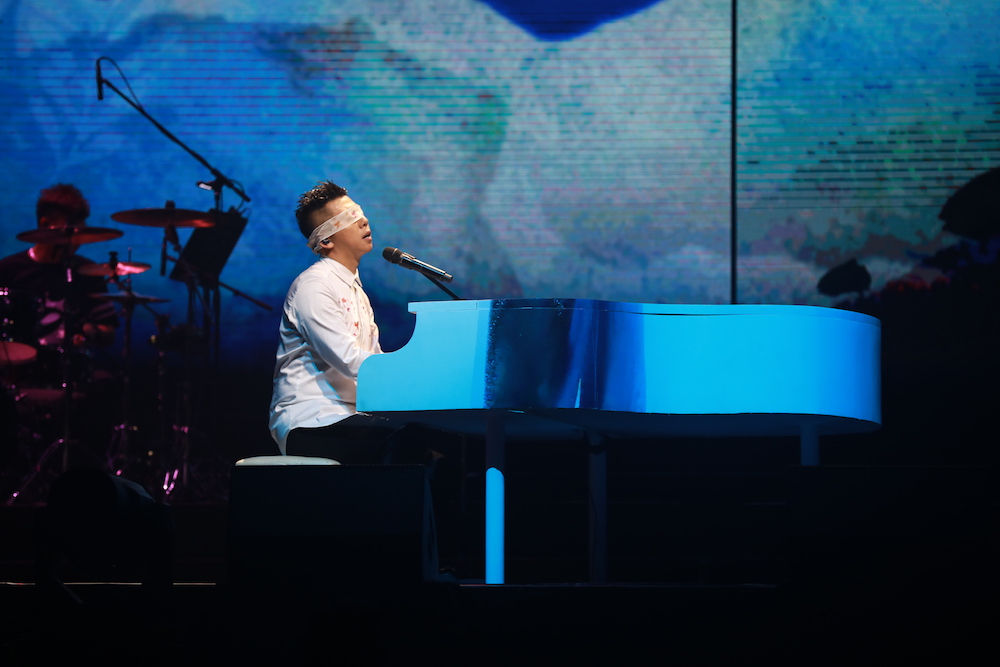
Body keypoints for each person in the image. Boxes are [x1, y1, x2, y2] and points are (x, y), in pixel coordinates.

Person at [268, 180, 465, 573]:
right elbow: (351, 360)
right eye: (348, 217)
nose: (363, 221)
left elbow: (371, 364)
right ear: (325, 240)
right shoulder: (314, 286)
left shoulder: (354, 289)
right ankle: (402, 567)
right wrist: (414, 376)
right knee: (412, 442)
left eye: (360, 212)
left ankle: (430, 564)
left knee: (449, 440)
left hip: (353, 416)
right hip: (313, 420)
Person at [0, 183, 120, 485]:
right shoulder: (9, 271)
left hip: (71, 372)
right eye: (73, 230)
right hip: (17, 375)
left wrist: (90, 332)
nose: (77, 240)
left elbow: (108, 331)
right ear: (45, 223)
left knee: (107, 386)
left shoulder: (87, 272)